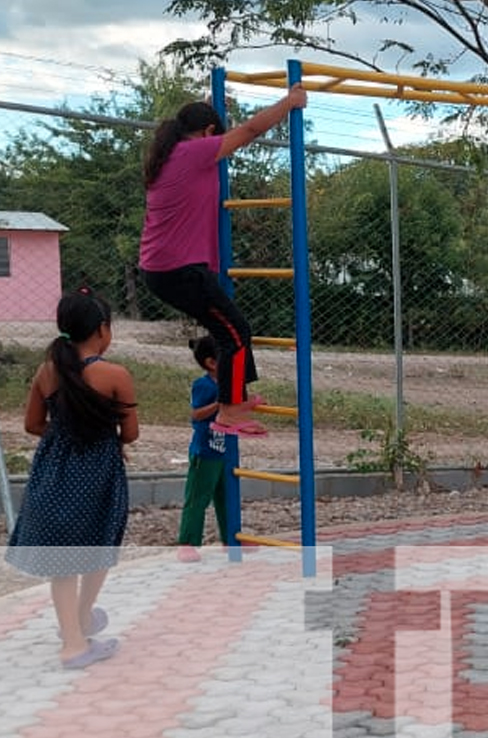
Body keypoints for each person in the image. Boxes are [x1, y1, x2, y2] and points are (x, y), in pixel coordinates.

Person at [139, 83, 308, 436]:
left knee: (226, 330)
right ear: (208, 133)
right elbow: (250, 130)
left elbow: (216, 130)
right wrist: (290, 102)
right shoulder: (195, 152)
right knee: (235, 331)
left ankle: (236, 398)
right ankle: (228, 410)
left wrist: (208, 106)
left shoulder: (171, 154)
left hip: (166, 268)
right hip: (179, 270)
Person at [5, 290, 138, 669]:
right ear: (102, 329)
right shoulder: (115, 375)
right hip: (99, 473)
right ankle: (76, 640)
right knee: (101, 542)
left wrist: (64, 437)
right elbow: (129, 434)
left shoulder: (48, 371)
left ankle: (75, 629)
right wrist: (96, 436)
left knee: (60, 558)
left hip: (53, 472)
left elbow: (33, 424)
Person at [176, 337, 229, 563]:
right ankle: (187, 542)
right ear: (212, 363)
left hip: (225, 449)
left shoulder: (228, 384)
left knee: (227, 497)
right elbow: (196, 414)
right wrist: (219, 403)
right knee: (198, 497)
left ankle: (230, 539)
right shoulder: (204, 385)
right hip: (205, 451)